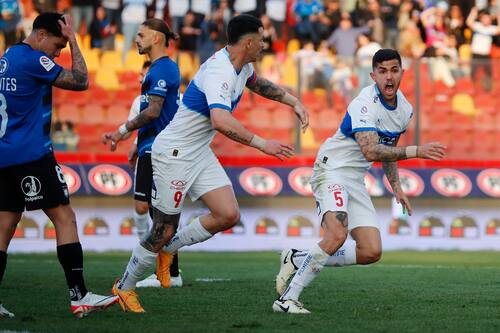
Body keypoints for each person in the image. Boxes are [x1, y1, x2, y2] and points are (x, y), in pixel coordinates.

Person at [111, 14, 309, 313]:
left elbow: (259, 84)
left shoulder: (241, 66)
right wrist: (263, 144)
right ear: (249, 41)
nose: (264, 44)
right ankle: (124, 287)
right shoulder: (220, 71)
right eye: (262, 38)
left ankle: (169, 250)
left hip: (198, 152)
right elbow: (220, 121)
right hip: (174, 153)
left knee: (227, 214)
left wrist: (293, 101)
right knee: (162, 228)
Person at [272, 49, 447, 314]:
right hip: (331, 170)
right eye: (382, 71)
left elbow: (388, 149)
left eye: (394, 70)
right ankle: (287, 299)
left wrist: (397, 188)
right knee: (337, 235)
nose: (389, 77)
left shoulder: (405, 109)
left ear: (402, 72)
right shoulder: (363, 103)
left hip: (354, 179)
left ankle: (296, 258)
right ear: (373, 75)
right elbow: (371, 151)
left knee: (371, 251)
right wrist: (417, 151)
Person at [0, 12, 118, 318]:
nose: (58, 52)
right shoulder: (31, 60)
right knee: (65, 218)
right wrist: (77, 40)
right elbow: (81, 80)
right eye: (57, 45)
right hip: (31, 155)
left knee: (4, 227)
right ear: (40, 35)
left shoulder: (9, 55)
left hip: (4, 156)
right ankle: (80, 297)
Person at [101, 18, 182, 309]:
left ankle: (162, 272)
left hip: (161, 152)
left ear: (157, 38)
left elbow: (153, 112)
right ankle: (157, 272)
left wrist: (121, 132)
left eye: (140, 35)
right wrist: (135, 145)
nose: (135, 39)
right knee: (162, 220)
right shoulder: (158, 69)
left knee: (167, 222)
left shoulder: (163, 69)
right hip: (152, 149)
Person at [118, 60, 183, 289]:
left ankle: (170, 272)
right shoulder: (140, 100)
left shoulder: (177, 98)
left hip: (166, 154)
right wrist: (133, 143)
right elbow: (140, 125)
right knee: (142, 206)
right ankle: (148, 256)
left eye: (143, 73)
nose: (140, 77)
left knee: (163, 213)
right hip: (146, 153)